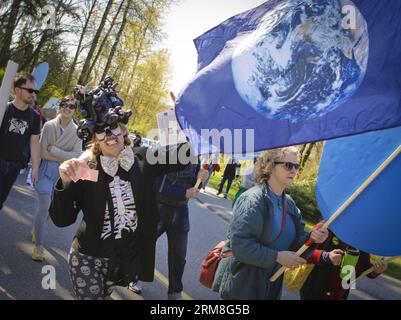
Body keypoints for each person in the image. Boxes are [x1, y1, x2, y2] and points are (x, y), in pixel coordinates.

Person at [48, 78, 194, 300]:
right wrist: (65, 182)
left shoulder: (143, 159)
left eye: (114, 127)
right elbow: (61, 219)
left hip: (120, 261)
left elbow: (184, 156)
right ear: (94, 137)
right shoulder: (86, 167)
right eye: (102, 131)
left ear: (123, 127)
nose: (110, 136)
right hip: (87, 256)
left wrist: (180, 117)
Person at [212, 147, 329, 300]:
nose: (293, 170)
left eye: (296, 166)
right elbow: (240, 245)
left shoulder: (289, 203)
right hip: (243, 283)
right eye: (288, 165)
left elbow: (299, 242)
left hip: (270, 284)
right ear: (270, 165)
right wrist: (277, 257)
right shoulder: (253, 200)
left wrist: (313, 238)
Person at [129, 162, 209, 299]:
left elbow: (193, 187)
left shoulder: (195, 156)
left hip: (181, 211)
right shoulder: (164, 153)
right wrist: (183, 192)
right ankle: (134, 276)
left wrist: (200, 180)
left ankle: (175, 291)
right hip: (158, 208)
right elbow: (155, 183)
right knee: (145, 246)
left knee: (179, 254)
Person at [31, 96, 82, 261]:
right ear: (59, 107)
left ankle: (36, 229)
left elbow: (77, 156)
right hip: (45, 170)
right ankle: (39, 246)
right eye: (64, 105)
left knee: (50, 209)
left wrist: (55, 150)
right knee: (44, 206)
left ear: (75, 109)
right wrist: (35, 169)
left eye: (71, 106)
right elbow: (42, 150)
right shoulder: (49, 125)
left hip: (63, 175)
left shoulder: (77, 131)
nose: (67, 108)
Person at [300, 228, 388, 300]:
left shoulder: (362, 241)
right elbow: (303, 252)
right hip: (314, 290)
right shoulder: (327, 227)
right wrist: (326, 256)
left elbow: (363, 267)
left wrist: (375, 270)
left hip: (339, 294)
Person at [0, 72, 41, 211]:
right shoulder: (3, 109)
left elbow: (35, 143)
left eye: (35, 91)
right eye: (30, 90)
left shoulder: (35, 117)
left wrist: (35, 167)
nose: (33, 94)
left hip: (14, 167)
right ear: (17, 90)